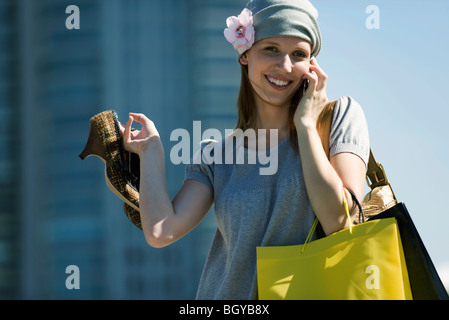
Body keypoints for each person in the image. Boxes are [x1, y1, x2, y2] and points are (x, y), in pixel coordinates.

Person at [120, 0, 369, 299]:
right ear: (245, 54)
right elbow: (161, 231)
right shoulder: (215, 156)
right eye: (271, 49)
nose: (286, 66)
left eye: (299, 54)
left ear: (312, 66)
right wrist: (151, 152)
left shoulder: (338, 117)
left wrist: (305, 126)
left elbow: (339, 221)